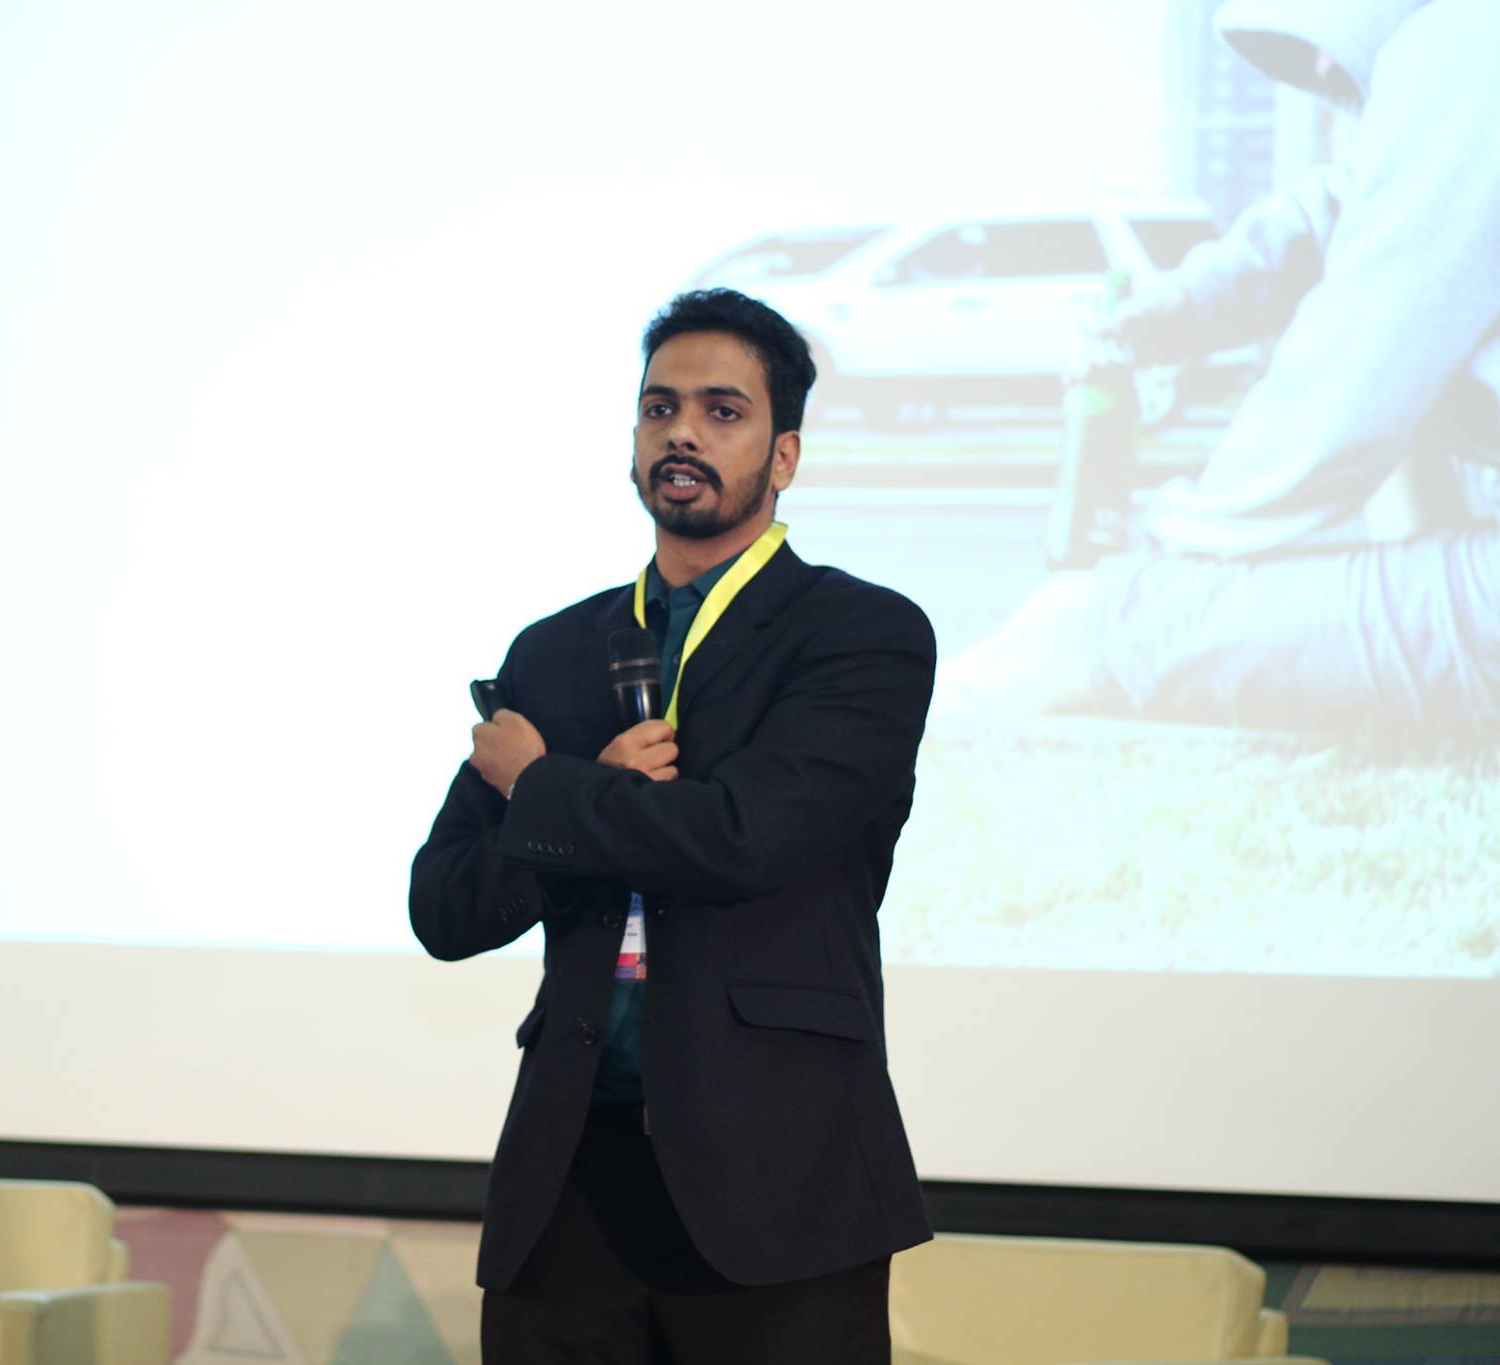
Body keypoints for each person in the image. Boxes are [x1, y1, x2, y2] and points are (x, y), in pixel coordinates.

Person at [409, 289, 935, 1362]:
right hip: (569, 1177)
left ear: (784, 455)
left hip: (777, 1178)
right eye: (659, 408)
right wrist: (585, 806)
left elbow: (743, 838)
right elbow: (444, 905)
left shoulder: (861, 635)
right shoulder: (554, 651)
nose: (682, 432)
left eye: (720, 410)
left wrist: (551, 791)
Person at [949, 0, 1500, 731]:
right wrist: (1172, 309)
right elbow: (1343, 213)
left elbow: (1368, 337)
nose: (1323, 65)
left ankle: (962, 699)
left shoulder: (1469, 35)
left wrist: (1157, 577)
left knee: (1130, 629)